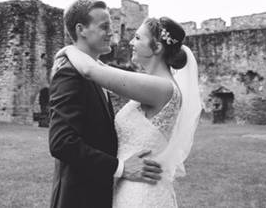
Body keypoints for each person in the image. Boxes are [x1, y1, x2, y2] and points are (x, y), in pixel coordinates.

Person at [56, 15, 202, 208]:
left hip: (143, 194)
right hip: (131, 186)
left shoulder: (162, 88)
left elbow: (90, 71)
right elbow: (102, 68)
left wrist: (68, 50)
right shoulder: (154, 85)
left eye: (138, 38)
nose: (132, 42)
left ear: (156, 47)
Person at [48, 0, 165, 208]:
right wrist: (120, 167)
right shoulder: (69, 72)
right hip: (77, 199)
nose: (112, 32)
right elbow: (62, 143)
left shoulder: (97, 71)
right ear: (81, 29)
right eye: (104, 27)